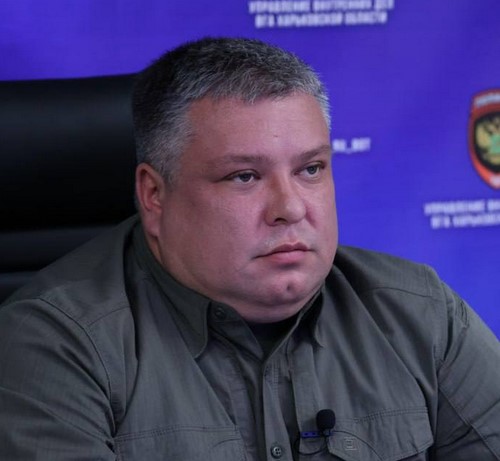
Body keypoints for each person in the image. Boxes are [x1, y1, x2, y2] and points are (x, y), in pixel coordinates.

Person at [0, 37, 499, 461]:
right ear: (154, 195)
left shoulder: (420, 315)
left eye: (310, 169)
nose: (290, 207)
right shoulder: (56, 347)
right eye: (244, 176)